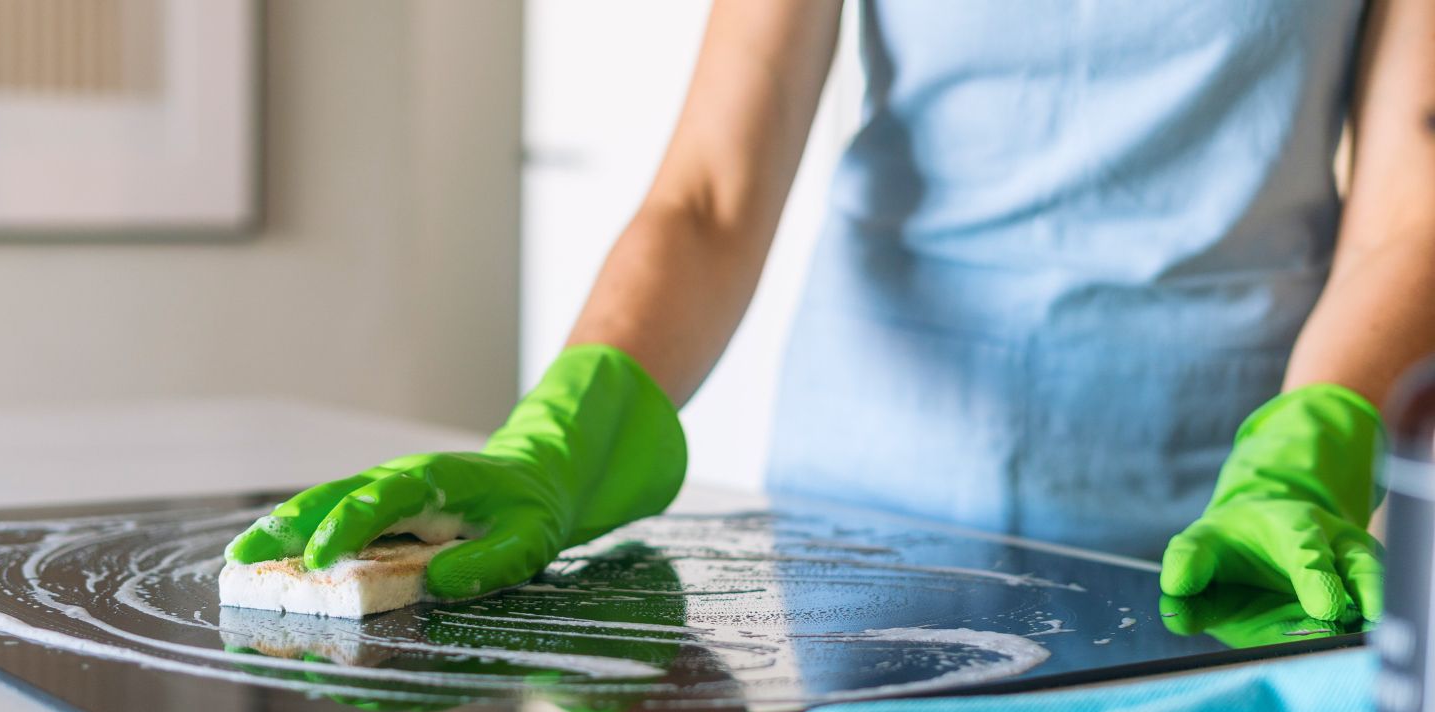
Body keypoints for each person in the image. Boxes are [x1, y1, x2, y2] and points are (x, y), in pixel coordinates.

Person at [229, 0, 1435, 623]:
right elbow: (709, 193)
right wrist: (561, 429)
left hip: (1214, 520)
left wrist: (1305, 457)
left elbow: (1407, 202)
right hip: (862, 511)